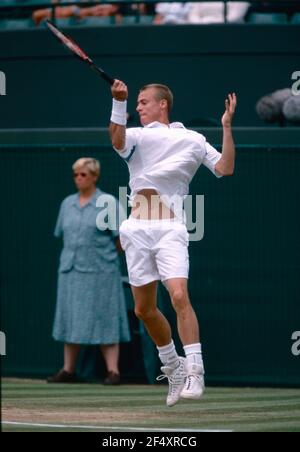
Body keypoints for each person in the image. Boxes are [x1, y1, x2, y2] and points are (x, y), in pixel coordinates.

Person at [108, 81, 236, 406]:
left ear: (163, 104)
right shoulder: (136, 135)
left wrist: (226, 127)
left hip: (170, 229)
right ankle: (173, 366)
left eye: (143, 101)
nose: (138, 107)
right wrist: (118, 103)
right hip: (136, 228)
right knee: (144, 310)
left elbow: (225, 168)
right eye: (135, 103)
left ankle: (195, 369)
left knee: (179, 295)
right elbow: (117, 139)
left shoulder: (192, 140)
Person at [48, 157, 130, 384]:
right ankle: (68, 369)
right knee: (70, 318)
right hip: (70, 271)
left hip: (101, 273)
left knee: (105, 318)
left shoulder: (108, 203)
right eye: (75, 174)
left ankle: (113, 371)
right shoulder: (67, 204)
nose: (78, 178)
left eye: (83, 174)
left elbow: (122, 239)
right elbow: (62, 235)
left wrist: (103, 257)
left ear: (94, 176)